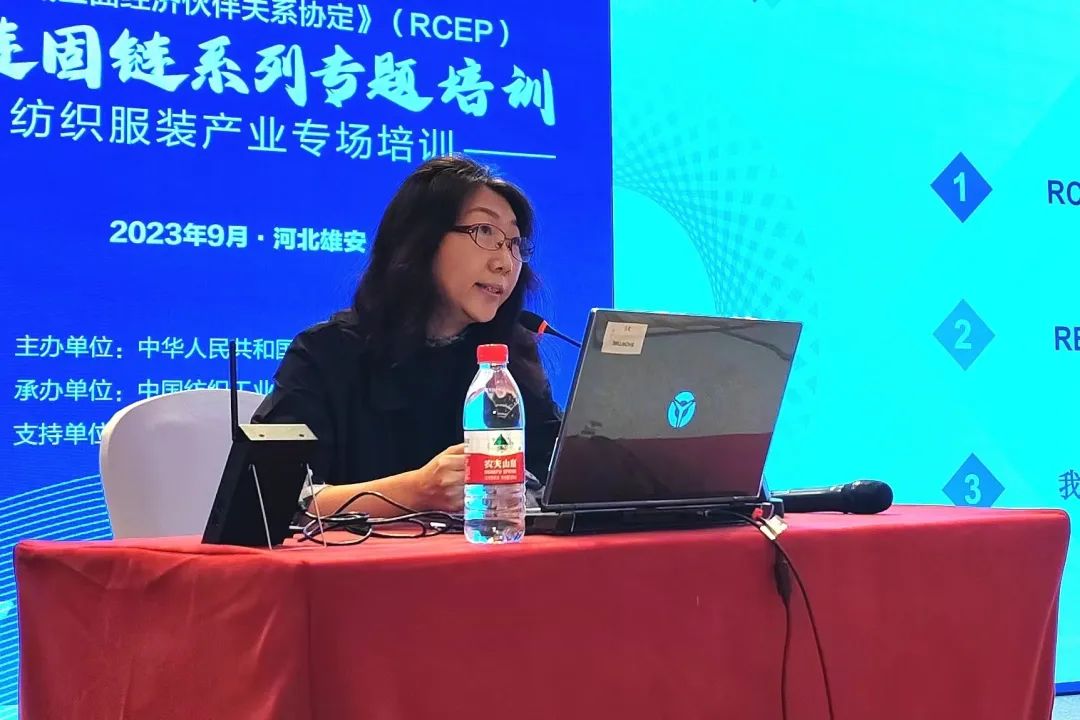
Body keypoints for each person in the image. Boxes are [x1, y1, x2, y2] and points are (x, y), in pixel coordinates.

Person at [252, 155, 563, 517]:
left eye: (513, 243)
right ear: (422, 240)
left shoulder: (506, 361)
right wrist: (415, 491)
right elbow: (271, 499)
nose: (505, 263)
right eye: (485, 232)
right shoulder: (325, 353)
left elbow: (554, 480)